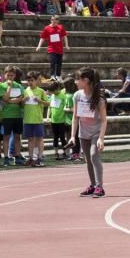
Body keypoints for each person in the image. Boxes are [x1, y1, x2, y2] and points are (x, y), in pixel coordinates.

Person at [69, 67, 108, 198]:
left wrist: (101, 138)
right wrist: (72, 136)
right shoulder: (77, 95)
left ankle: (99, 187)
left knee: (93, 155)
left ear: (86, 80)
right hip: (83, 133)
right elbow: (75, 117)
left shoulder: (99, 99)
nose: (75, 82)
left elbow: (103, 120)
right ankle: (92, 185)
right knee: (88, 160)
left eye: (77, 79)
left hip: (95, 133)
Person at [0, 65, 25, 165]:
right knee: (6, 137)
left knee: (17, 136)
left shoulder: (19, 86)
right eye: (8, 75)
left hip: (18, 115)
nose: (10, 77)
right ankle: (6, 157)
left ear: (15, 76)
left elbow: (20, 99)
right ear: (5, 75)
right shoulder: (2, 86)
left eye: (12, 75)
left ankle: (17, 156)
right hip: (6, 116)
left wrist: (10, 101)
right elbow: (5, 98)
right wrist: (9, 87)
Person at [22, 72, 47, 167]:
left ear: (36, 81)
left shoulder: (41, 91)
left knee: (39, 139)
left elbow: (48, 103)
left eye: (32, 80)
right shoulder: (25, 91)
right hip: (27, 119)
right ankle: (31, 158)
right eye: (28, 80)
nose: (30, 82)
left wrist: (40, 101)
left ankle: (39, 158)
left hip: (37, 119)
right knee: (30, 139)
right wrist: (23, 100)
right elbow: (21, 104)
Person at [45, 79, 69, 160]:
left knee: (62, 137)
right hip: (53, 121)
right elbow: (49, 107)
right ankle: (56, 153)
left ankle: (65, 152)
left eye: (54, 91)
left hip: (61, 121)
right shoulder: (52, 96)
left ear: (58, 88)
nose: (53, 93)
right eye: (52, 91)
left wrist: (65, 118)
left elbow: (66, 107)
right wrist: (48, 117)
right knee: (55, 137)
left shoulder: (63, 96)